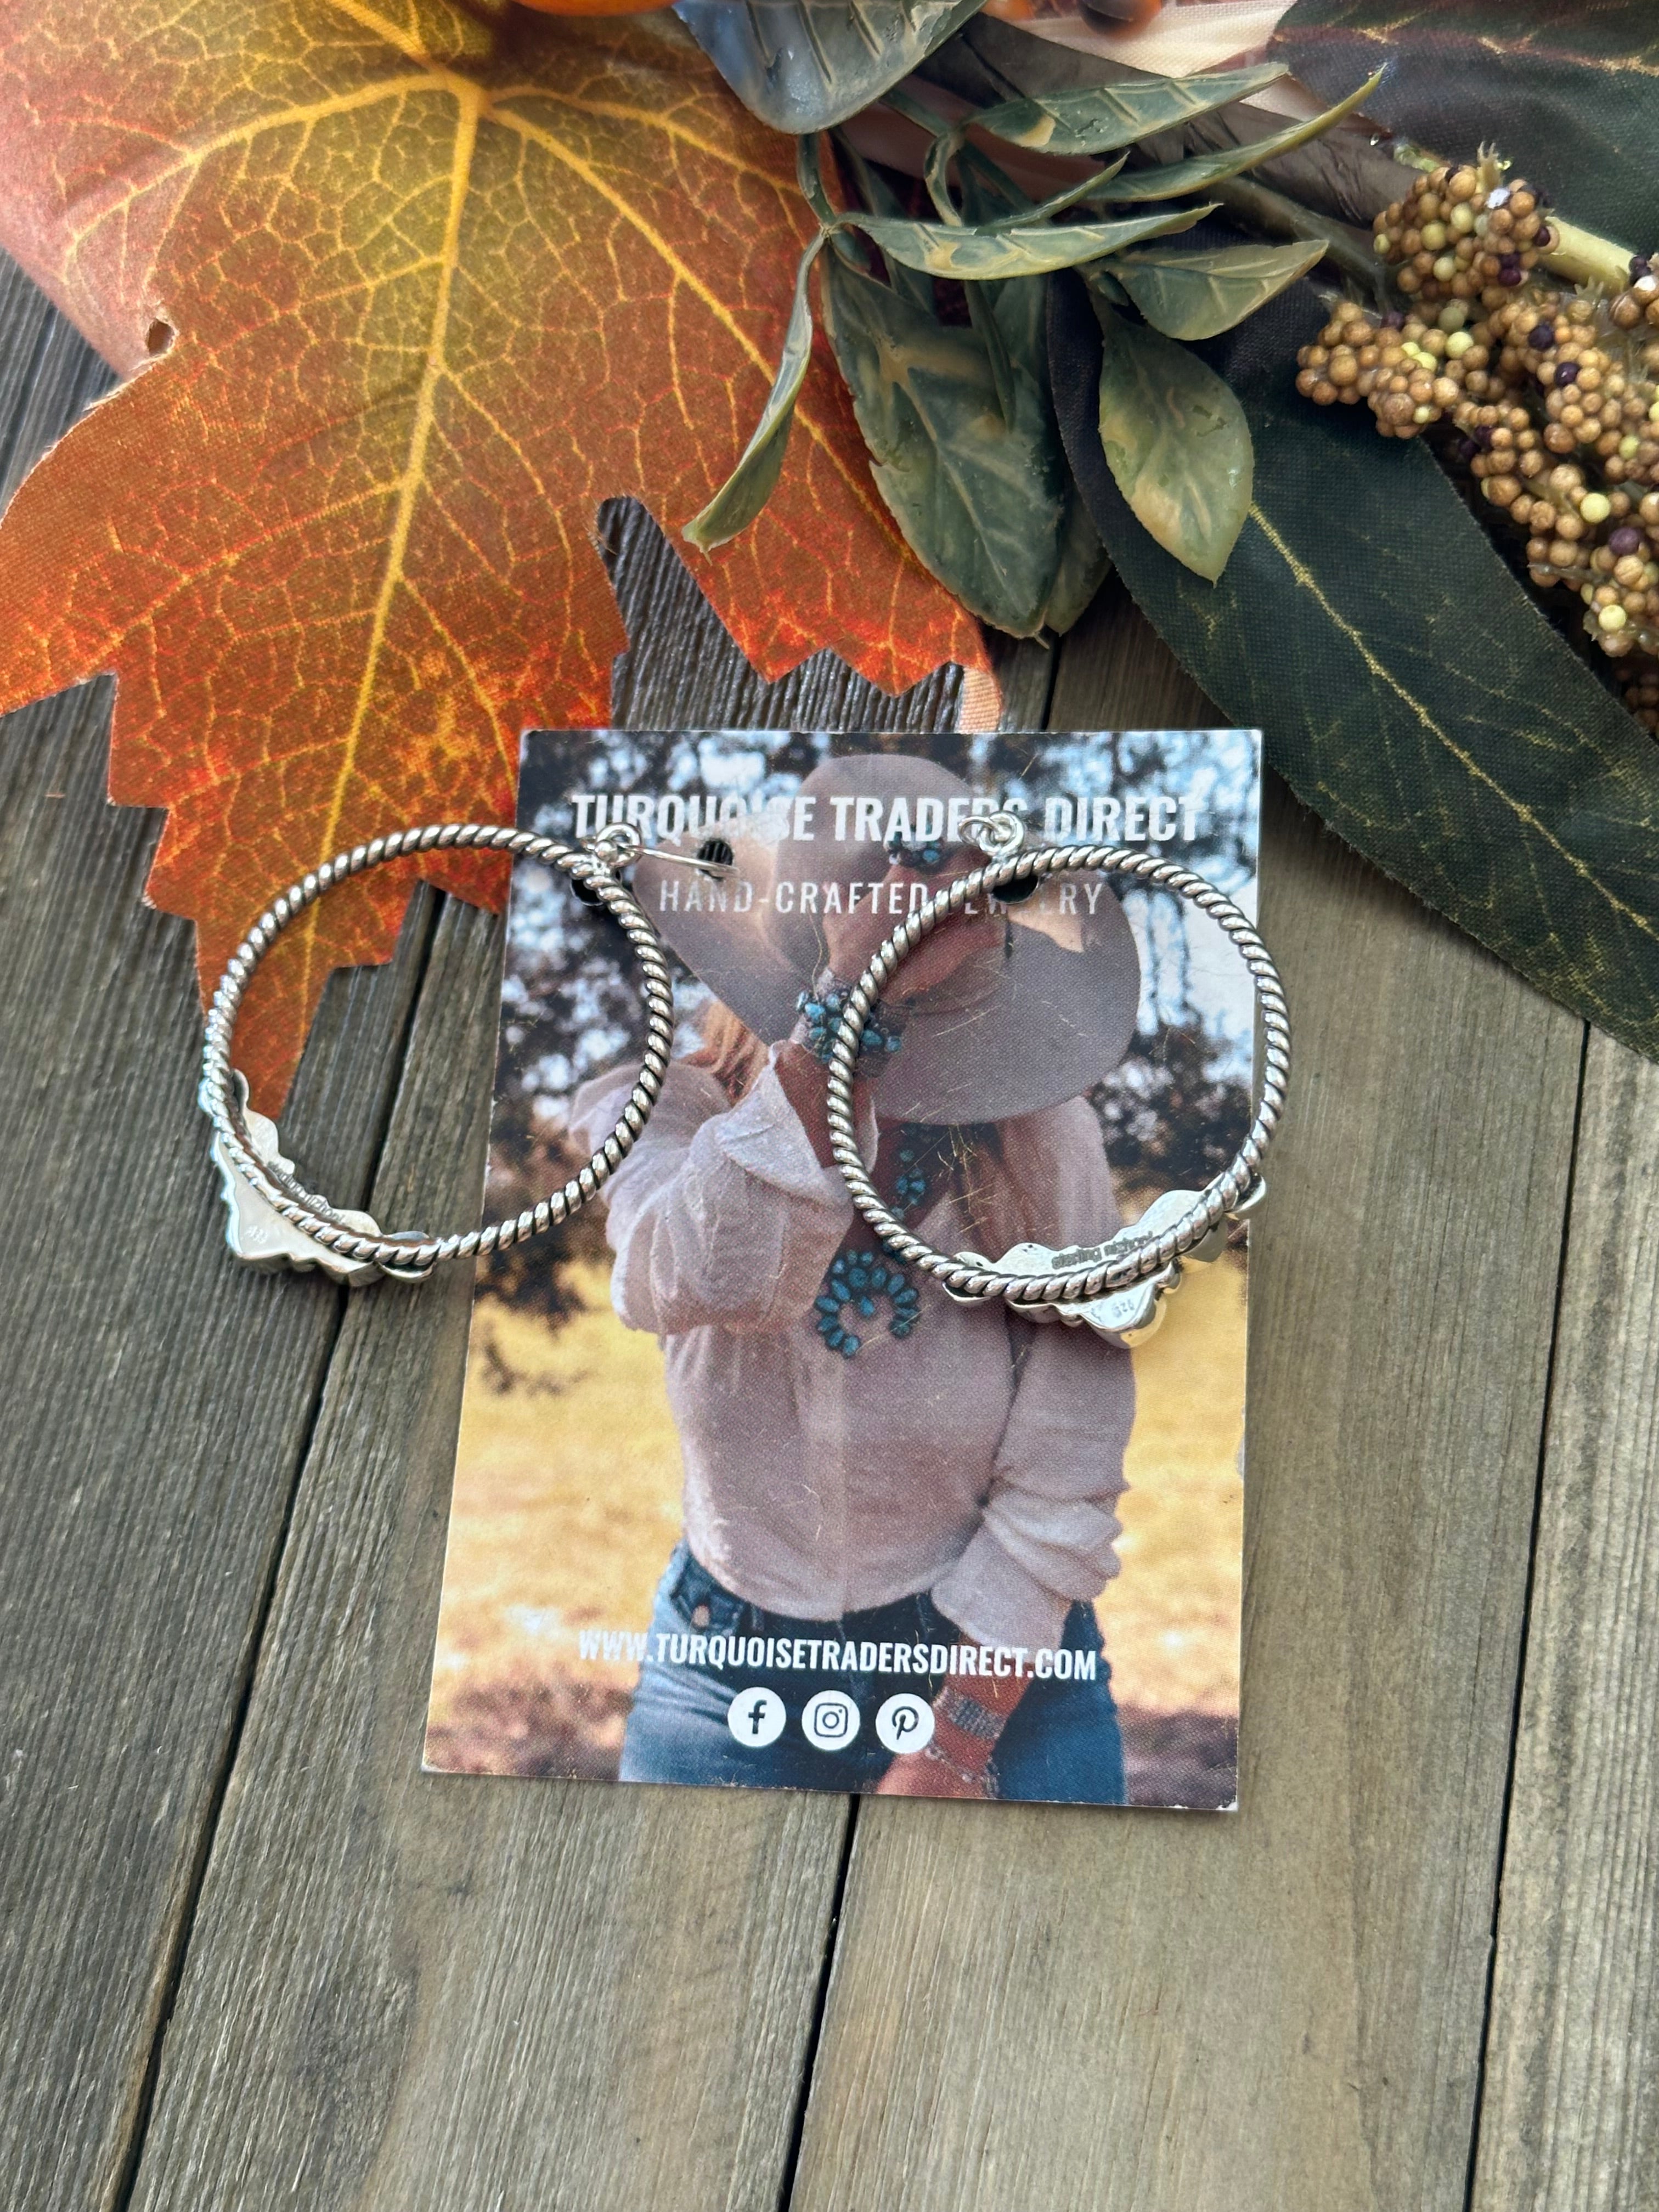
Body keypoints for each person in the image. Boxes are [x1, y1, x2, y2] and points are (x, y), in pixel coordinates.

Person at [569, 755, 1143, 1802]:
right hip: (723, 1665)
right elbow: (709, 1277)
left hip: (997, 1672)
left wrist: (955, 1744)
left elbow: (1072, 1450)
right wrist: (849, 1011)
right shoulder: (664, 1110)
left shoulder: (1041, 1140)